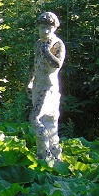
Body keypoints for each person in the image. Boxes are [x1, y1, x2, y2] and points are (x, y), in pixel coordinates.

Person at [27, 11, 66, 164]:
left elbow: (57, 64)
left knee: (35, 119)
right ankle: (51, 155)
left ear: (54, 28)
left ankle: (46, 155)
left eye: (49, 28)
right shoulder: (38, 43)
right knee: (46, 120)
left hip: (48, 88)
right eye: (43, 27)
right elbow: (35, 64)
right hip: (38, 86)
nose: (46, 31)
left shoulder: (57, 44)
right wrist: (30, 81)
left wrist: (46, 51)